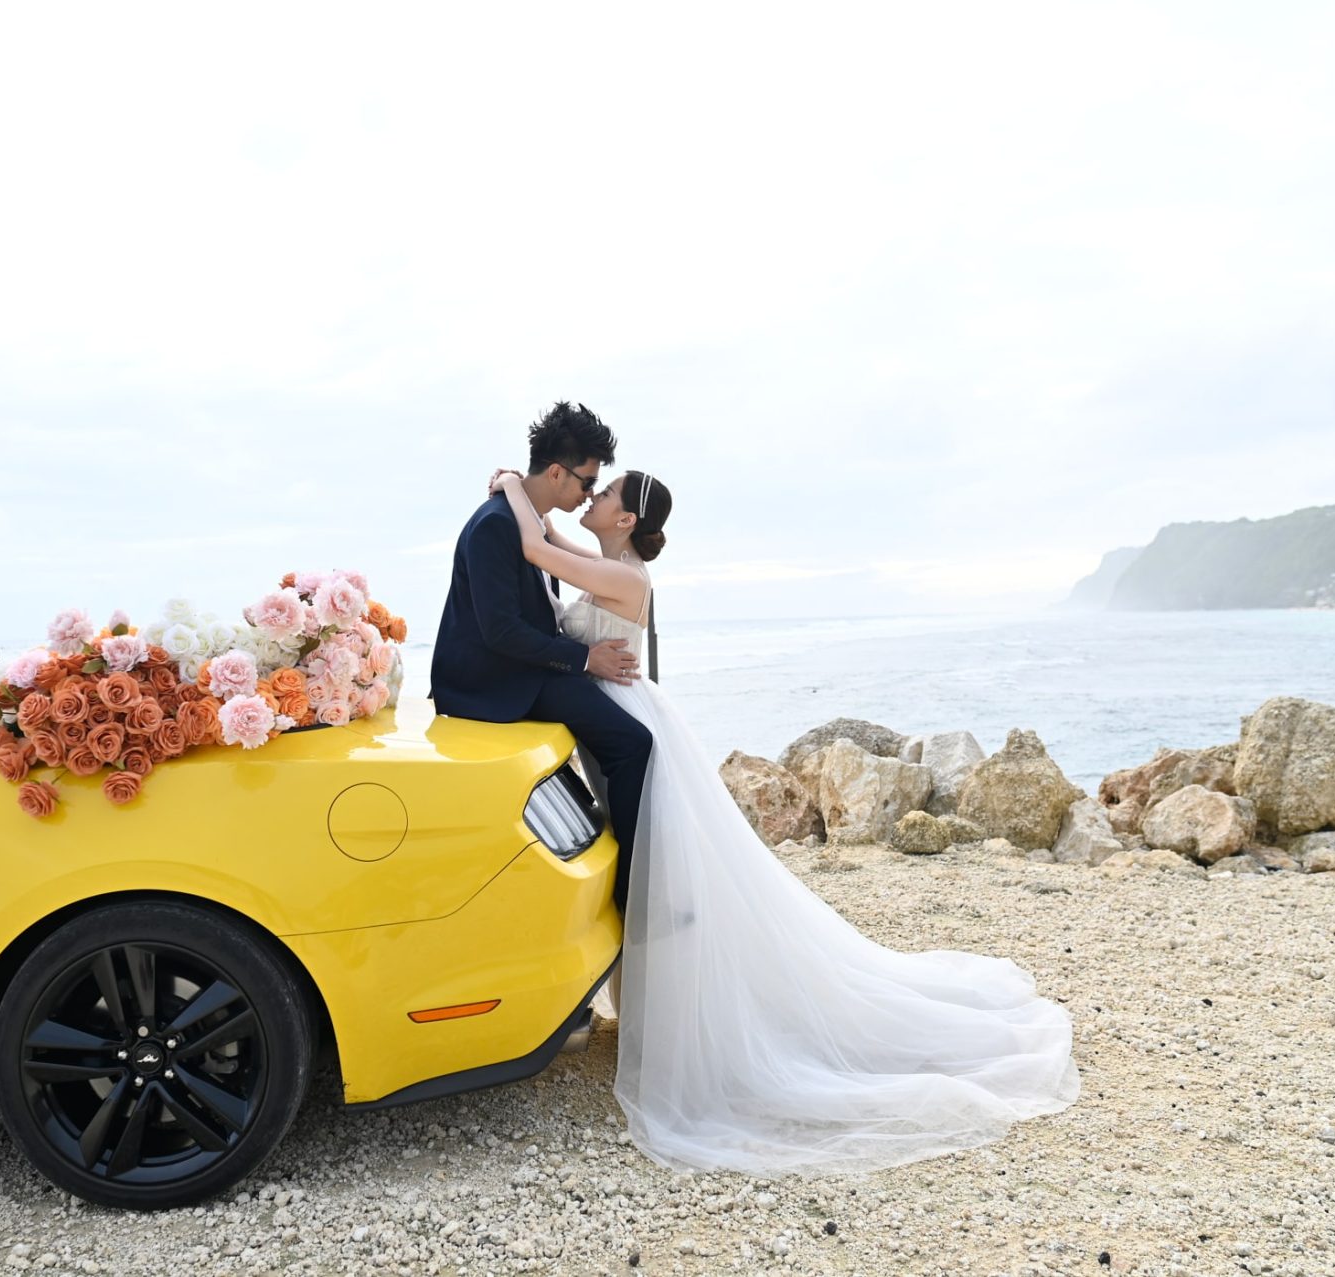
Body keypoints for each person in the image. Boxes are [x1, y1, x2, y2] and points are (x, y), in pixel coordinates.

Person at [489, 466, 1081, 1176]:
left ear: (625, 520)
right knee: (653, 874)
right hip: (619, 722)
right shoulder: (612, 563)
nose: (594, 495)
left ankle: (698, 1021)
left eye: (606, 492)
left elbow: (536, 548)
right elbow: (551, 541)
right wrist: (532, 501)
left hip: (629, 728)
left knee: (662, 876)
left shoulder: (626, 576)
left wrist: (512, 486)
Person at [429, 403, 653, 911]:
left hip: (525, 665)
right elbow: (500, 630)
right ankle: (630, 891)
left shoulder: (527, 519)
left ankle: (624, 866)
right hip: (494, 678)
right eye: (587, 482)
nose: (589, 494)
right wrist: (585, 659)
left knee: (630, 738)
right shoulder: (496, 524)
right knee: (633, 744)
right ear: (556, 473)